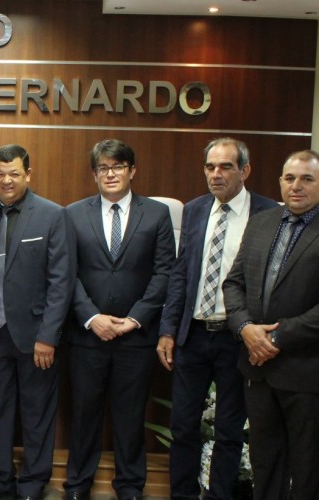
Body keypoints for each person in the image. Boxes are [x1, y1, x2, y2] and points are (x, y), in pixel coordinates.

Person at [157, 138, 276, 499]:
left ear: (245, 170)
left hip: (236, 338)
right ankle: (183, 494)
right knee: (183, 426)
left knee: (228, 429)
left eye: (225, 167)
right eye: (210, 167)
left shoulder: (268, 213)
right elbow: (180, 275)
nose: (216, 174)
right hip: (192, 335)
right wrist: (167, 330)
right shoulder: (193, 210)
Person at [63, 139, 175, 500]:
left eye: (118, 167)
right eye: (103, 168)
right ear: (94, 174)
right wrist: (92, 317)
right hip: (86, 337)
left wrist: (135, 319)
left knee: (129, 418)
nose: (110, 174)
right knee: (84, 416)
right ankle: (77, 485)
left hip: (135, 338)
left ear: (132, 171)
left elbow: (164, 274)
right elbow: (67, 274)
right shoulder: (73, 213)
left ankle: (129, 487)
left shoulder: (157, 214)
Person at [0, 145, 75, 500]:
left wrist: (49, 336)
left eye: (14, 173)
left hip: (36, 336)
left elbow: (62, 281)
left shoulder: (52, 215)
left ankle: (32, 483)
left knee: (37, 413)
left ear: (28, 173)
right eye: (0, 173)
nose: (7, 180)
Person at [223, 149, 319, 499]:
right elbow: (234, 283)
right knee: (264, 461)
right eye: (289, 178)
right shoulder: (263, 222)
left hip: (306, 372)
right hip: (257, 369)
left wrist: (275, 338)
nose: (296, 186)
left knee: (308, 467)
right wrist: (245, 328)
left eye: (307, 178)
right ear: (280, 181)